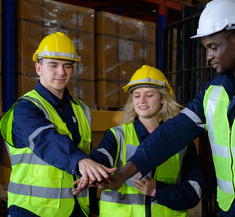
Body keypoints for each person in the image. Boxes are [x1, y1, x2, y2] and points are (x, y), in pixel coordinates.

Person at [74, 0, 235, 217]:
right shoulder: (211, 92)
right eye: (205, 48)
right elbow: (170, 135)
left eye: (213, 47)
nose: (208, 56)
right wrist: (123, 174)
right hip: (230, 209)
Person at [0, 32, 116, 217]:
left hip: (77, 209)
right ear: (38, 68)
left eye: (67, 66)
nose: (61, 72)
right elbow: (45, 140)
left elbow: (87, 161)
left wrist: (92, 205)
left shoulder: (81, 109)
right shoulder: (25, 108)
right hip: (32, 211)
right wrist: (80, 160)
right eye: (53, 65)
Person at [83, 65, 205, 216]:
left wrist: (157, 190)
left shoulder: (182, 141)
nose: (142, 100)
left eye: (149, 95)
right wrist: (91, 169)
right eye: (136, 95)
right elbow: (100, 159)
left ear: (162, 99)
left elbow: (195, 190)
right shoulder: (117, 136)